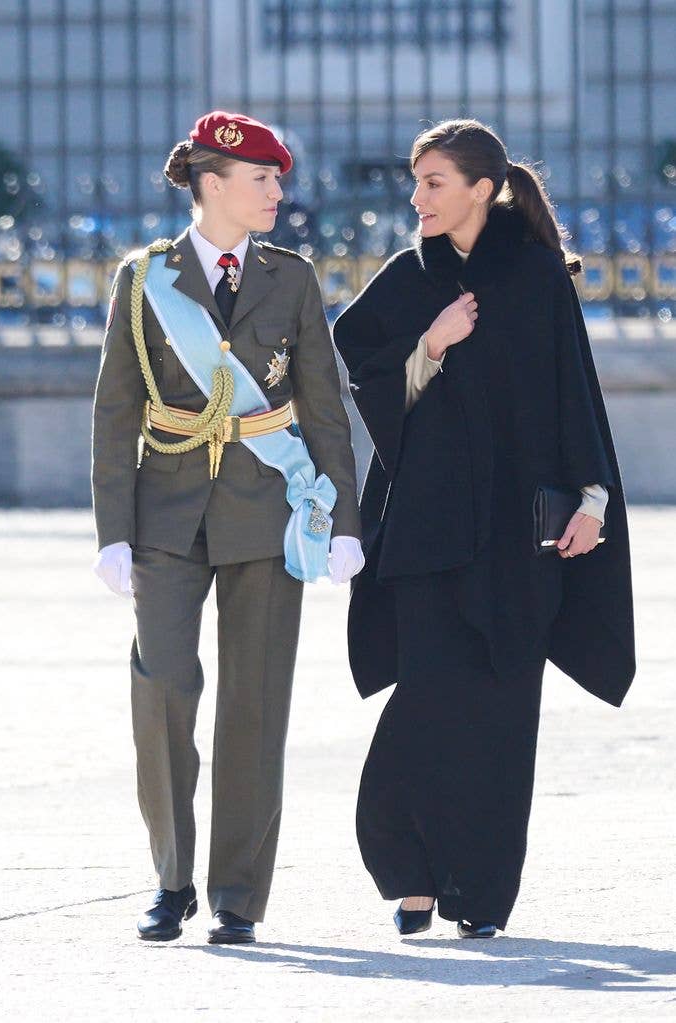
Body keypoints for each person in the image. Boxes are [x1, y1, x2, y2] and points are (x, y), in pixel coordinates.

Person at [333, 119, 635, 939]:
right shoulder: (408, 278)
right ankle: (411, 874)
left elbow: (575, 390)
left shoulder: (535, 275)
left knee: (504, 713)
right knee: (427, 703)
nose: (417, 197)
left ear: (482, 188)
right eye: (415, 181)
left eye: (433, 181)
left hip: (518, 536)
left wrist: (593, 500)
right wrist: (430, 344)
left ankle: (481, 894)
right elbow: (365, 369)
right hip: (428, 531)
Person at [92, 110, 364, 944]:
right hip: (167, 514)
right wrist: (112, 530)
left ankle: (238, 895)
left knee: (255, 703)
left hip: (266, 512)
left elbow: (323, 405)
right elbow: (115, 409)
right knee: (163, 689)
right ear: (212, 183)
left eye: (277, 178)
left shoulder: (292, 278)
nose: (278, 191)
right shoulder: (146, 278)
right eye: (262, 178)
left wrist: (344, 520)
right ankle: (171, 879)